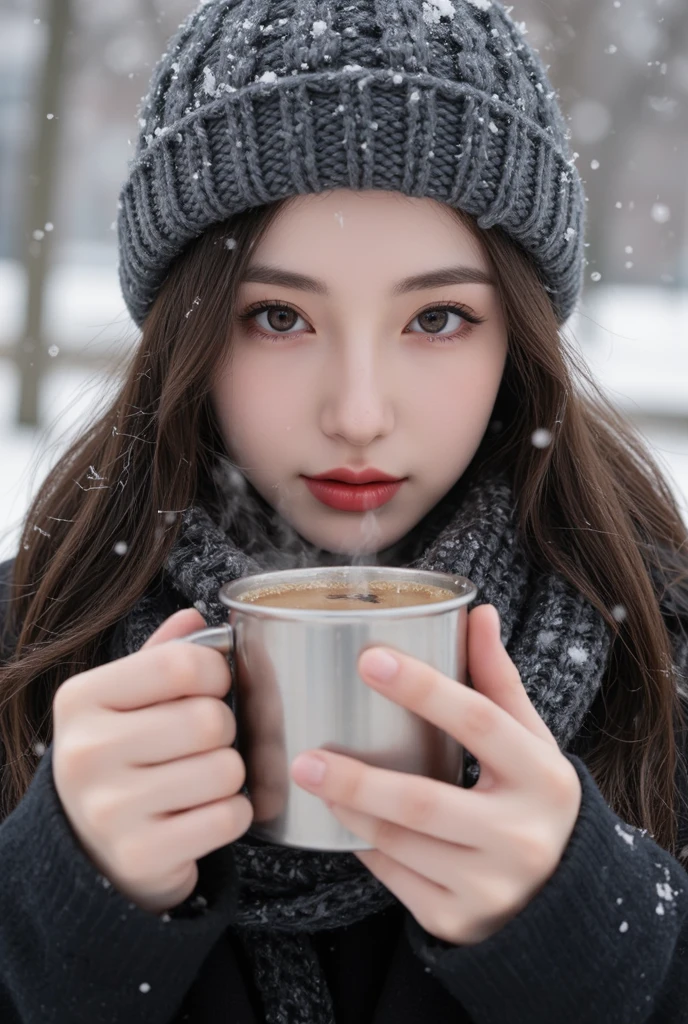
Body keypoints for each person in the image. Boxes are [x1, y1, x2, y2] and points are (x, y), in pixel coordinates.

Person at [1, 0, 687, 1021]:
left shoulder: (664, 658)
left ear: (519, 337)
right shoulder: (28, 646)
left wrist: (596, 941)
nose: (358, 414)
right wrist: (56, 906)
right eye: (278, 316)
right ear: (187, 332)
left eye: (437, 317)